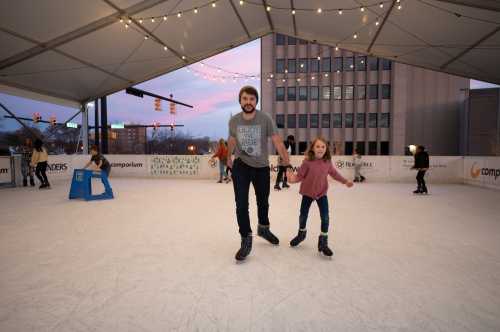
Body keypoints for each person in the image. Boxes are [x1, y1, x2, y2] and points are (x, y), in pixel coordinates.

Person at [227, 86, 291, 261]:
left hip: (261, 166)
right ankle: (245, 238)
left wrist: (287, 161)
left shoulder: (265, 119)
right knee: (241, 204)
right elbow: (231, 140)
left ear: (256, 101)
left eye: (252, 99)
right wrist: (228, 158)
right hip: (241, 166)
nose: (248, 102)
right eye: (245, 99)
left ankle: (263, 228)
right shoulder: (234, 121)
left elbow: (277, 141)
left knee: (263, 202)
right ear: (240, 101)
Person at [286, 137, 353, 257]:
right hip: (307, 193)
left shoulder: (327, 161)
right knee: (303, 215)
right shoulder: (307, 162)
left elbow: (334, 174)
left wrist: (345, 181)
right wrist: (291, 179)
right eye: (317, 146)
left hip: (322, 193)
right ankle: (301, 234)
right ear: (313, 148)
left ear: (326, 148)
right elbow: (299, 176)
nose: (320, 149)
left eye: (323, 146)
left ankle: (323, 242)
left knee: (325, 217)